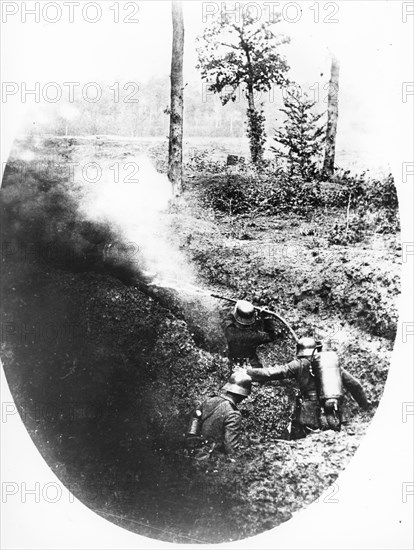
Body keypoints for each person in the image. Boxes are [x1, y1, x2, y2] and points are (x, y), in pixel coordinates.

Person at [246, 336, 371, 439]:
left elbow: (272, 373)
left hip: (308, 414)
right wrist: (365, 406)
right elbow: (355, 385)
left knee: (298, 443)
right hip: (332, 412)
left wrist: (248, 372)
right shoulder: (329, 366)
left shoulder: (298, 365)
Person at [187, 371, 252, 456]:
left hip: (195, 451)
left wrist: (192, 439)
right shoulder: (233, 414)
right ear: (243, 394)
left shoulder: (209, 400)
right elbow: (231, 448)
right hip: (213, 458)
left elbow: (195, 417)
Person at [221, 299, 277, 368]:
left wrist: (237, 310)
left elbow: (228, 319)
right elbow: (271, 336)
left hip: (232, 360)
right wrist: (266, 317)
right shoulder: (256, 336)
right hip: (250, 363)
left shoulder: (229, 331)